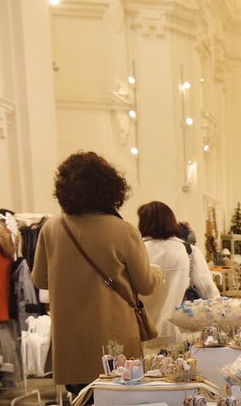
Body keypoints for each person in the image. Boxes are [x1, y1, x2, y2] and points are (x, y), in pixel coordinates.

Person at [31, 152, 163, 393]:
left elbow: (39, 279)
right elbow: (145, 284)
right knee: (119, 404)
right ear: (111, 188)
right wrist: (157, 272)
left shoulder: (51, 228)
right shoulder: (123, 231)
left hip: (70, 340)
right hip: (115, 337)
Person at [137, 200, 218, 344]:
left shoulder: (137, 251)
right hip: (181, 334)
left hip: (143, 334)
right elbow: (209, 292)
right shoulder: (189, 252)